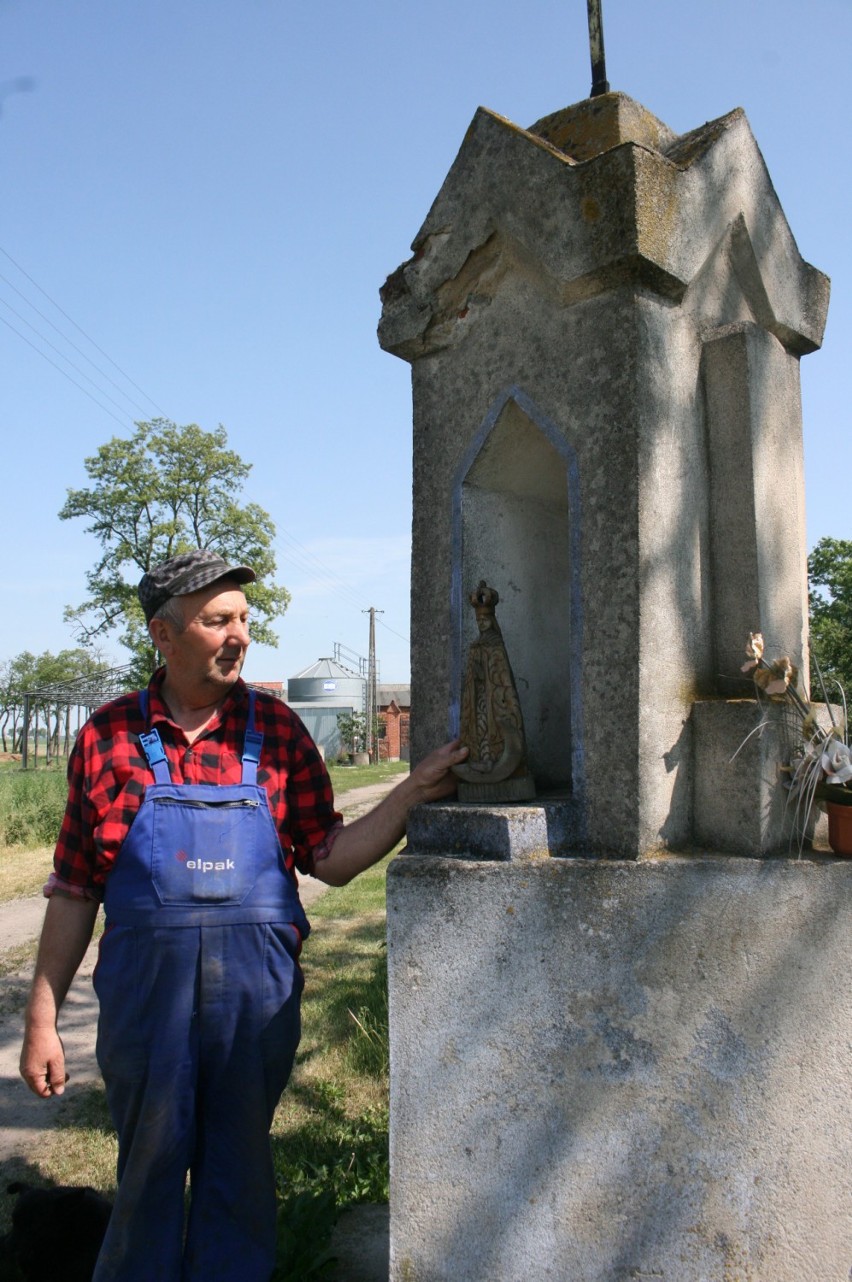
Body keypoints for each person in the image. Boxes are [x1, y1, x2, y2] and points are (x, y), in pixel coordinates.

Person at [19, 548, 467, 1282]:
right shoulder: (107, 736)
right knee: (147, 1178)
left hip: (254, 1005)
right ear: (164, 636)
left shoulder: (280, 732)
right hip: (144, 1003)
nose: (240, 636)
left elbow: (330, 857)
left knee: (241, 1177)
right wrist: (42, 1019)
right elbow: (74, 889)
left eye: (244, 620)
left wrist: (409, 796)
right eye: (217, 620)